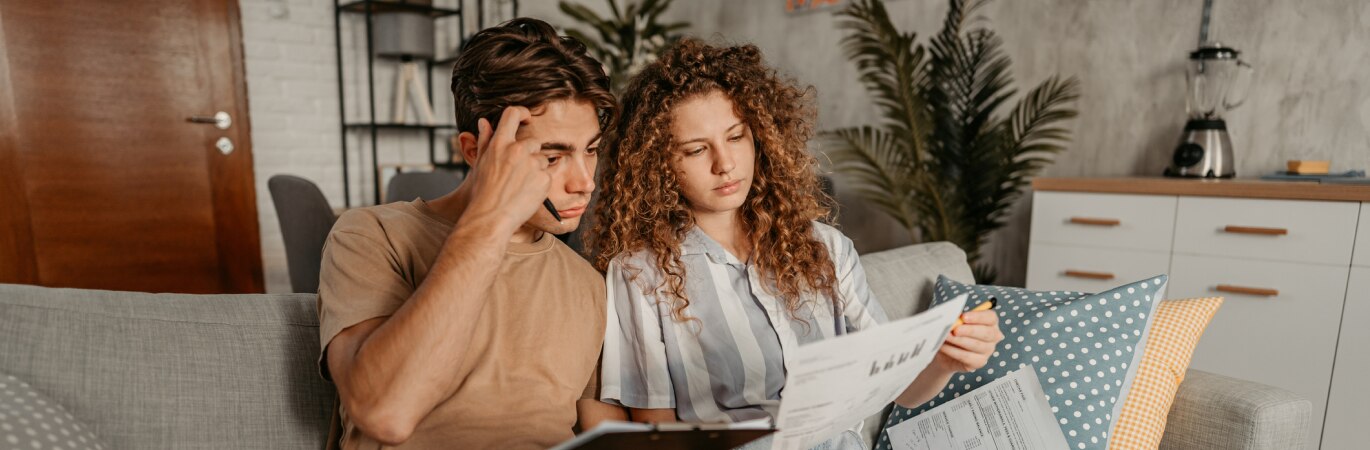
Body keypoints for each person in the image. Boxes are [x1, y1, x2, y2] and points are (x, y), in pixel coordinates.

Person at [587, 39, 1004, 449]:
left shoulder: (826, 248)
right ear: (657, 164)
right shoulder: (640, 273)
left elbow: (902, 389)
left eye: (736, 137)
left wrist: (945, 361)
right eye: (696, 150)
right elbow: (656, 430)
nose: (725, 164)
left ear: (759, 136)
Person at [316, 18, 623, 449]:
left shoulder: (587, 282)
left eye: (590, 150)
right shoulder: (371, 236)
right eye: (552, 157)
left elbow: (600, 428)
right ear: (475, 151)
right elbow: (384, 413)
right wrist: (493, 220)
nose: (585, 182)